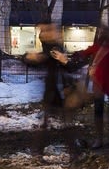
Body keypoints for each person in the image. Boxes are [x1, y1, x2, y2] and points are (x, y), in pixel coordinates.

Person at [23, 22, 81, 161]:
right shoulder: (51, 48)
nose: (42, 34)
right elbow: (43, 61)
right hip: (54, 92)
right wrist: (29, 58)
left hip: (58, 92)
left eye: (45, 31)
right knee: (56, 124)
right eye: (41, 31)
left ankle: (40, 151)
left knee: (57, 124)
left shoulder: (54, 49)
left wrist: (64, 61)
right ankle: (73, 152)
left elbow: (68, 67)